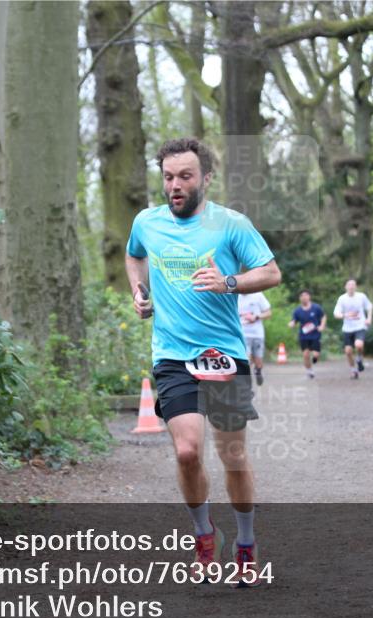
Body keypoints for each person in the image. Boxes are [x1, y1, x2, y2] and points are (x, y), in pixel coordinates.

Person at [125, 137, 282, 588]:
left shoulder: (230, 224)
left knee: (232, 455)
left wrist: (229, 281)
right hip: (173, 355)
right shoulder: (147, 222)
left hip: (224, 356)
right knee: (188, 449)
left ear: (205, 178)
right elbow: (134, 255)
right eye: (169, 177)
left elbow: (271, 272)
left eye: (185, 177)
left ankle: (246, 542)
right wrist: (139, 291)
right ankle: (203, 534)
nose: (175, 185)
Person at [333, 279, 372, 379]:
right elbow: (336, 313)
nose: (351, 287)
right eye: (349, 285)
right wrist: (344, 315)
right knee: (348, 351)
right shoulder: (342, 298)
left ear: (356, 287)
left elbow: (369, 306)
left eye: (353, 285)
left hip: (360, 326)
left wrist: (369, 318)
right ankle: (353, 370)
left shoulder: (361, 296)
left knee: (358, 345)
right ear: (345, 287)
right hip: (347, 328)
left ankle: (359, 358)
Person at [288, 289, 326, 379]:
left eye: (305, 295)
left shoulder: (316, 308)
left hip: (315, 335)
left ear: (309, 297)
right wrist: (292, 324)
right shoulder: (297, 311)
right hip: (304, 336)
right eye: (302, 296)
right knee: (305, 354)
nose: (304, 297)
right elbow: (294, 320)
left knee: (316, 355)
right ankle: (309, 371)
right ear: (300, 298)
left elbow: (323, 316)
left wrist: (322, 326)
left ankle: (315, 359)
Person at [237, 292, 272, 386]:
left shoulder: (258, 295)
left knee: (258, 362)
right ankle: (247, 387)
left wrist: (256, 317)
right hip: (242, 334)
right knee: (246, 361)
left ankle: (258, 371)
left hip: (257, 334)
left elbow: (268, 313)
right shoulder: (234, 296)